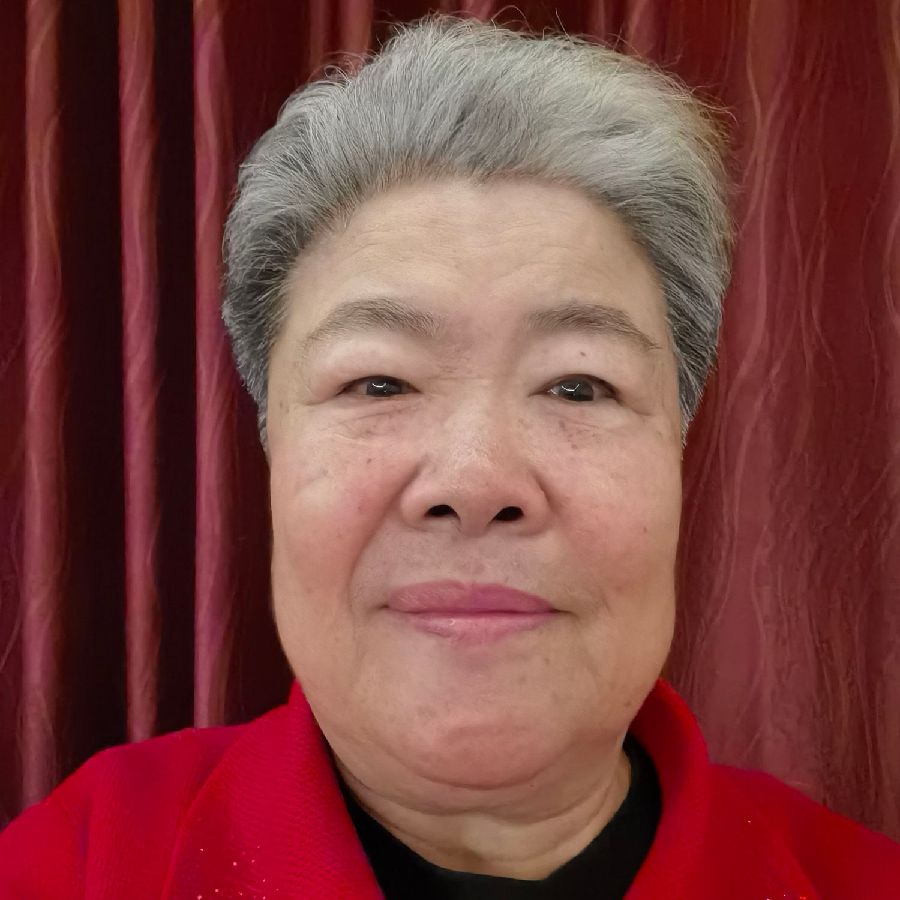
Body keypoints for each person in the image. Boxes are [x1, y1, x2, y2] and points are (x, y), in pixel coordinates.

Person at [2, 13, 898, 899]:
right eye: (379, 383)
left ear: (678, 448)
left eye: (578, 386)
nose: (475, 481)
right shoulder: (79, 865)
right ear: (271, 448)